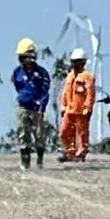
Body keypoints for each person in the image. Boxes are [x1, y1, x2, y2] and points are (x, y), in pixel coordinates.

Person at [12, 39, 49, 169]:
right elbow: (17, 87)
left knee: (39, 135)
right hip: (23, 108)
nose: (23, 60)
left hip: (37, 110)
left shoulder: (42, 73)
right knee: (23, 134)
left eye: (25, 57)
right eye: (21, 58)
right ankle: (25, 162)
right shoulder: (17, 72)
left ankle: (39, 161)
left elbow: (45, 92)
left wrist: (41, 108)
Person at [58, 48, 97, 163]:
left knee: (82, 134)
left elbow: (90, 94)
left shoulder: (87, 77)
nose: (75, 64)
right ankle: (70, 153)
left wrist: (88, 108)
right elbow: (65, 93)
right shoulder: (70, 76)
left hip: (81, 111)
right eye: (73, 61)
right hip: (69, 111)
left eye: (77, 61)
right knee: (64, 132)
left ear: (83, 62)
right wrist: (63, 106)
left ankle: (81, 154)